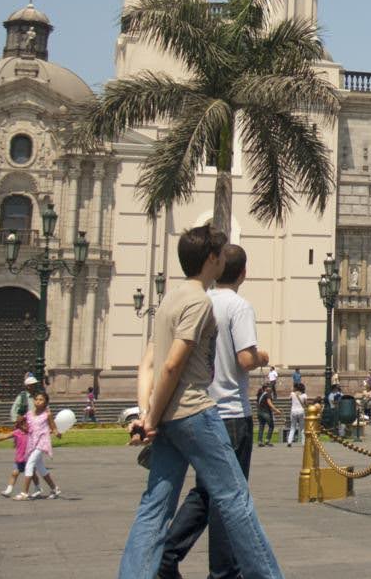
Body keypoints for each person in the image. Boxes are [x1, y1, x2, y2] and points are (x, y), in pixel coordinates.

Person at [117, 225, 283, 578]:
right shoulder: (198, 302)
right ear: (211, 258)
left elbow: (148, 362)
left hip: (168, 421)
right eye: (221, 254)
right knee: (235, 499)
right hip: (195, 413)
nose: (224, 260)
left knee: (155, 505)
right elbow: (173, 364)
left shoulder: (169, 301)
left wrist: (149, 415)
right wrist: (150, 420)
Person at [157, 243, 270, 579]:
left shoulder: (201, 302)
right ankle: (223, 571)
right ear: (244, 273)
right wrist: (263, 357)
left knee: (208, 490)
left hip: (202, 410)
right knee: (230, 497)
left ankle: (169, 553)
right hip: (233, 413)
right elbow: (245, 360)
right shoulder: (238, 306)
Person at [16, 389, 62, 500]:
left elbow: (53, 427)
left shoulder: (47, 414)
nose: (38, 401)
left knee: (30, 464)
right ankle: (55, 489)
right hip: (32, 442)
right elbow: (24, 427)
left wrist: (57, 433)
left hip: (42, 442)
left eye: (41, 400)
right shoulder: (29, 414)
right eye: (36, 399)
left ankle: (24, 493)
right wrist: (20, 422)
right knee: (41, 468)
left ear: (46, 402)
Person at [0, 413, 30, 498]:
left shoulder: (31, 433)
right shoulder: (17, 432)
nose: (25, 426)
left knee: (32, 476)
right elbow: (5, 436)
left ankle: (38, 488)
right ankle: (8, 490)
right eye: (22, 424)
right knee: (14, 473)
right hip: (19, 458)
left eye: (27, 424)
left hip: (29, 459)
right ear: (19, 425)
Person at [255, 377, 277, 447]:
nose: (271, 388)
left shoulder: (260, 394)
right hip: (266, 413)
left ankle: (260, 441)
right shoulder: (267, 394)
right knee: (271, 426)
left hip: (259, 412)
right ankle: (267, 440)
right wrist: (276, 410)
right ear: (266, 388)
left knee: (261, 426)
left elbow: (257, 404)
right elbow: (269, 403)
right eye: (269, 387)